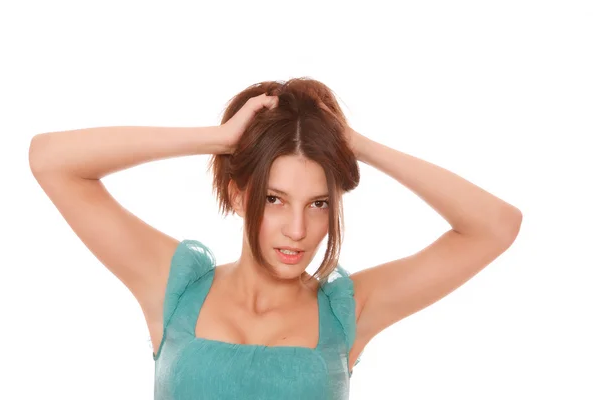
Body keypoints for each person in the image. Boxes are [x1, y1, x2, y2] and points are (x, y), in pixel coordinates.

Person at [29, 77, 522, 399]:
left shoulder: (347, 312)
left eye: (319, 203)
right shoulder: (174, 289)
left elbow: (495, 226)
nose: (298, 230)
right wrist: (216, 139)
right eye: (275, 199)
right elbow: (50, 161)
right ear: (238, 194)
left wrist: (358, 147)